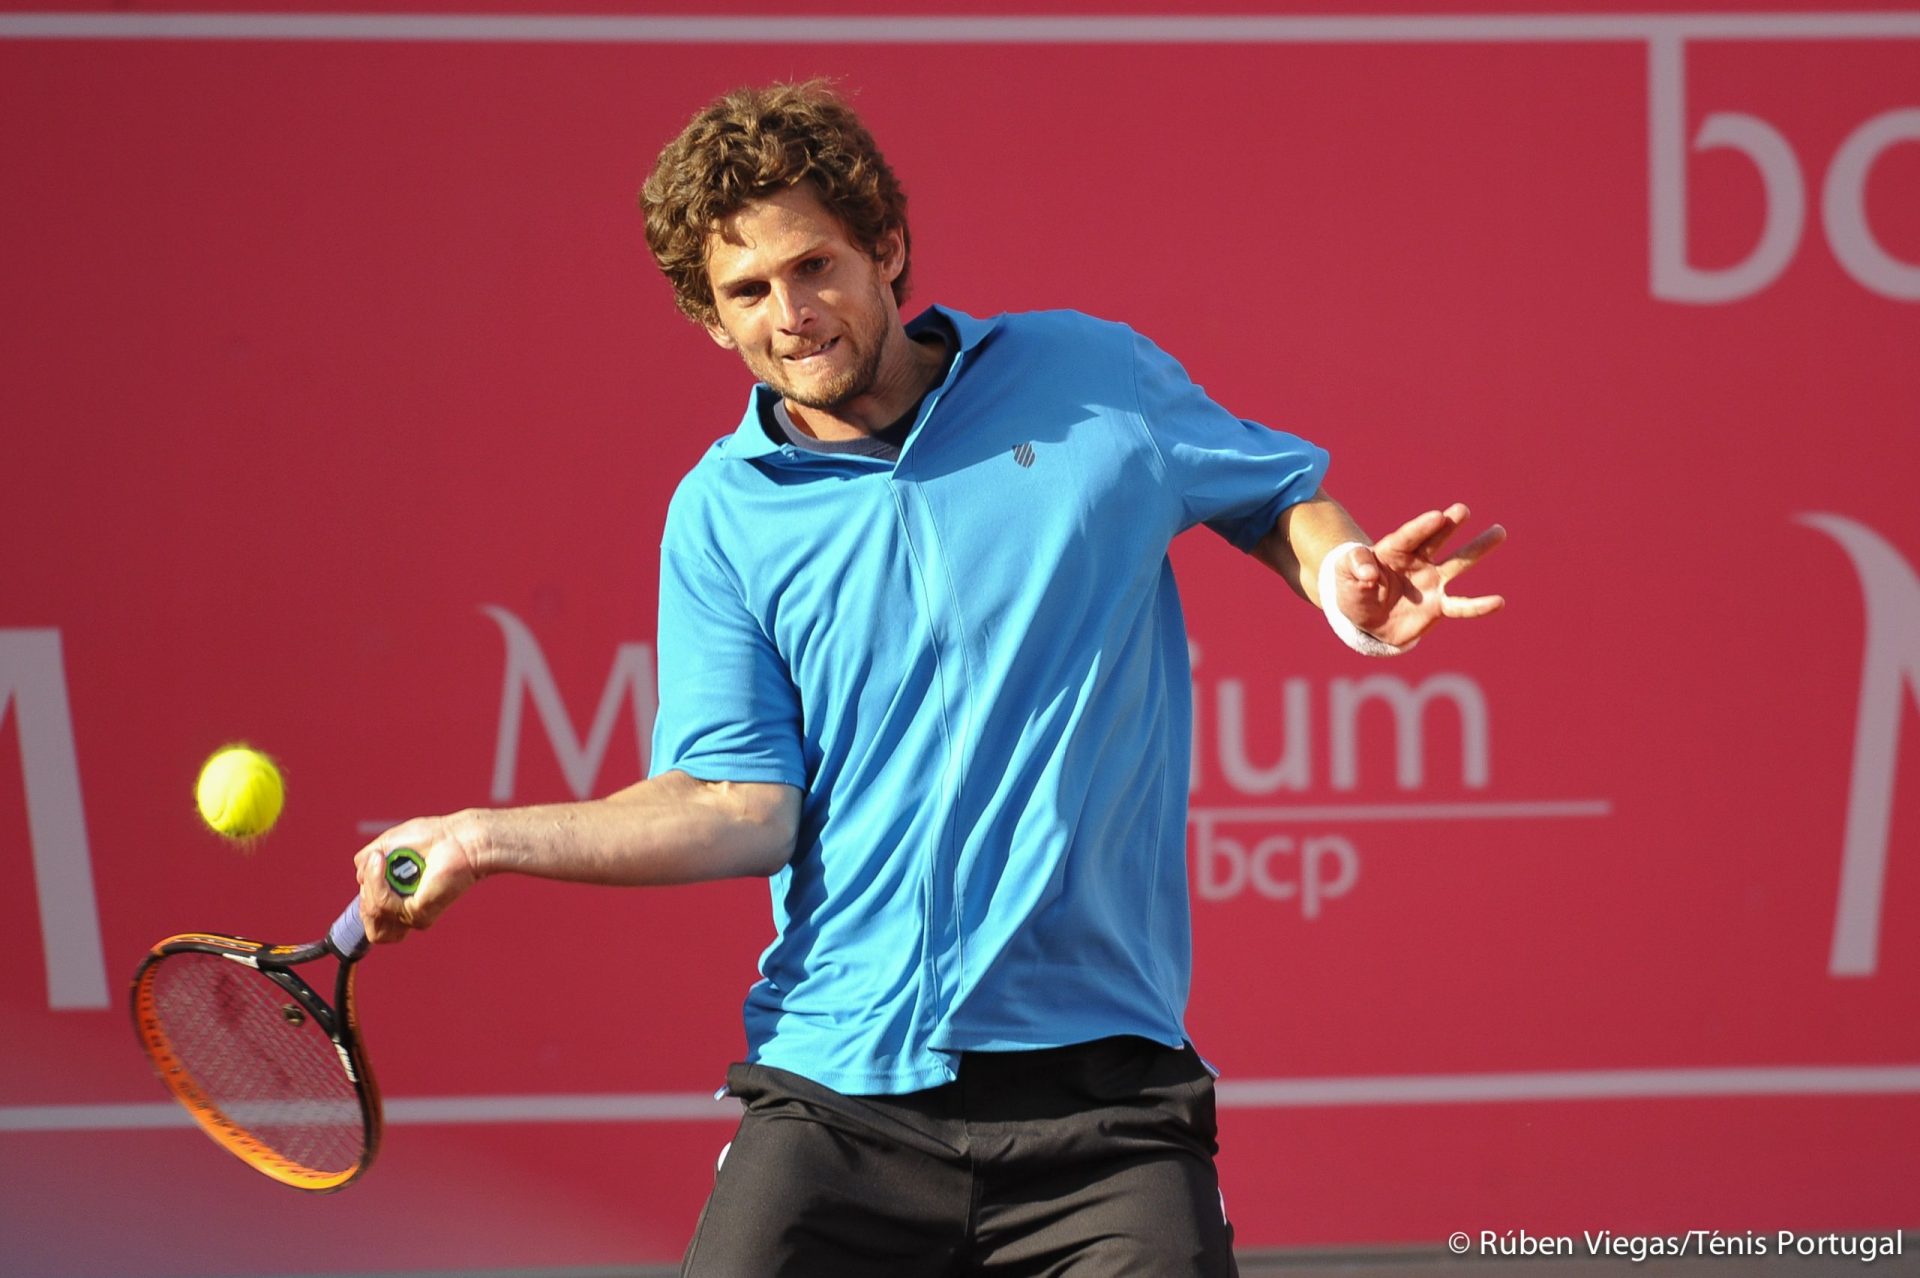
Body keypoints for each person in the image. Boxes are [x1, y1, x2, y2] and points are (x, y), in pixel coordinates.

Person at [354, 80, 1505, 1276]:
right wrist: (483, 837)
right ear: (710, 318)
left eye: (815, 266)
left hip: (1103, 1115)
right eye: (747, 291)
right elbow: (734, 806)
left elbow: (1276, 495)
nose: (791, 314)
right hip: (837, 1101)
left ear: (888, 249)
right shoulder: (720, 516)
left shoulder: (1089, 375)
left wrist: (1343, 587)